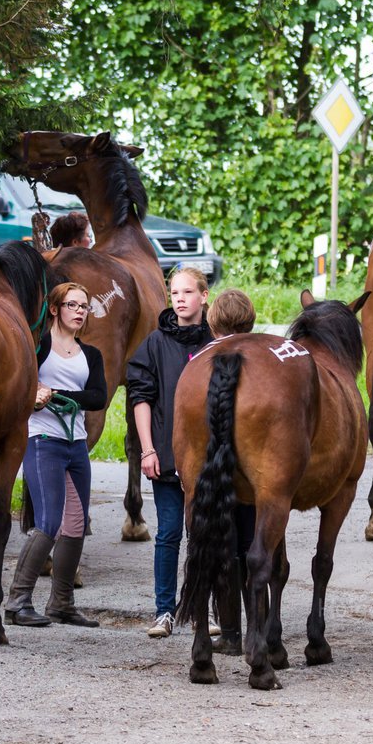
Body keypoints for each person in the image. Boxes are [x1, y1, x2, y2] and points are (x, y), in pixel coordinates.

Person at [5, 282, 107, 627]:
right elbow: (17, 381)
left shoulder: (90, 354)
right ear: (55, 309)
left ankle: (61, 602)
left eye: (84, 306)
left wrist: (59, 394)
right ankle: (17, 602)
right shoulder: (38, 347)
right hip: (42, 439)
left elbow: (98, 397)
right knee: (48, 522)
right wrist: (33, 392)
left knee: (76, 526)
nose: (79, 311)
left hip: (76, 444)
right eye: (72, 305)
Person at [127, 266, 213, 639]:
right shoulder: (156, 343)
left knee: (203, 535)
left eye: (187, 292)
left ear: (204, 296)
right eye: (174, 292)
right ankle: (164, 611)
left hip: (207, 461)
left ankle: (200, 609)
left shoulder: (216, 341)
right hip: (165, 453)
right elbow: (140, 398)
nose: (179, 299)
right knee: (168, 535)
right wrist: (147, 449)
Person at [202, 288, 257, 656]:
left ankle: (231, 633)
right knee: (256, 545)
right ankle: (263, 630)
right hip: (255, 475)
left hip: (215, 467)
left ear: (213, 321)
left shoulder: (204, 360)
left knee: (225, 546)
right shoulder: (264, 361)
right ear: (250, 321)